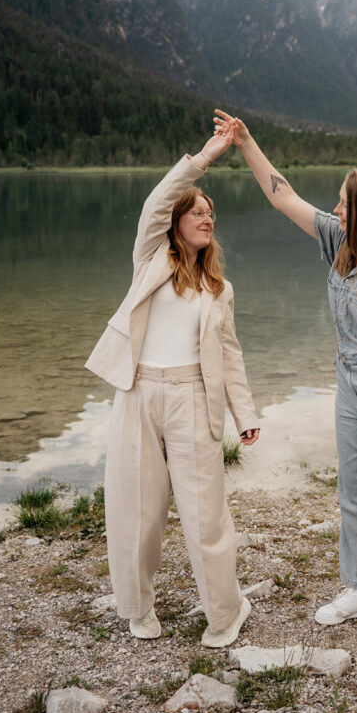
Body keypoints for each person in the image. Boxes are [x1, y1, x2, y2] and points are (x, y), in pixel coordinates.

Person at [214, 110, 357, 640]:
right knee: (355, 491)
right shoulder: (339, 243)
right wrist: (245, 141)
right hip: (347, 381)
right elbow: (281, 194)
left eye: (343, 201)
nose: (334, 207)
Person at [85, 127, 259, 648]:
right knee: (137, 510)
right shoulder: (150, 261)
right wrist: (206, 157)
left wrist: (245, 414)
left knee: (206, 515)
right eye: (198, 212)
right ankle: (138, 609)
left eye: (212, 215)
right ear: (176, 224)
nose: (208, 219)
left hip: (192, 398)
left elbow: (229, 355)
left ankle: (224, 617)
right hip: (138, 394)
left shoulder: (219, 289)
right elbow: (156, 202)